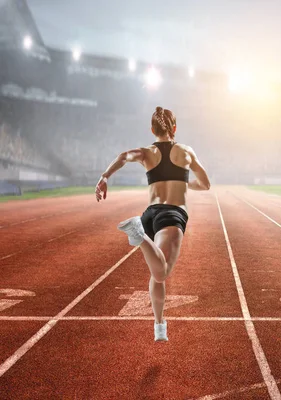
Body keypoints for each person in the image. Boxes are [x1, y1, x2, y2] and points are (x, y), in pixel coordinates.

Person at [95, 106, 210, 341]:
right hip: (172, 214)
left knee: (156, 273)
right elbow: (205, 183)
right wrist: (187, 184)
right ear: (174, 128)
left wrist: (104, 177)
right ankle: (139, 235)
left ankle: (159, 326)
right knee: (162, 271)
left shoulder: (146, 153)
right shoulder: (186, 152)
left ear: (152, 129)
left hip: (151, 214)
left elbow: (123, 157)